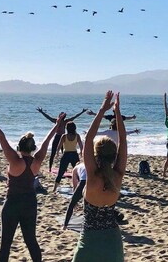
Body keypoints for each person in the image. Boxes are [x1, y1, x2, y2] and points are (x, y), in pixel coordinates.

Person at [0, 109, 63, 262]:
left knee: (5, 244)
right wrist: (57, 125)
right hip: (29, 203)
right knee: (31, 241)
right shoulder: (37, 161)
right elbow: (47, 142)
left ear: (19, 147)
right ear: (33, 148)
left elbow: (1, 138)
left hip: (12, 203)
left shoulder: (15, 160)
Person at [72, 91, 127, 261]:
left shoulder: (92, 176)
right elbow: (123, 140)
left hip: (89, 240)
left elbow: (88, 139)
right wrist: (117, 112)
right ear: (113, 155)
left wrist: (102, 110)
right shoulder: (117, 175)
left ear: (96, 155)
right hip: (113, 240)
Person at [36, 107, 88, 172]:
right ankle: (50, 168)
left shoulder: (66, 121)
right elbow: (48, 117)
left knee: (64, 153)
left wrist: (82, 112)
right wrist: (42, 112)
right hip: (57, 137)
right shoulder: (56, 121)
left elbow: (74, 117)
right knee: (53, 153)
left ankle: (65, 168)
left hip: (63, 138)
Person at [54, 121, 83, 188]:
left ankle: (54, 189)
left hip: (66, 154)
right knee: (78, 172)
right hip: (74, 154)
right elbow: (81, 146)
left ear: (67, 128)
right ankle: (80, 187)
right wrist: (81, 153)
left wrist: (57, 153)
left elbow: (59, 146)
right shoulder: (77, 136)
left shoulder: (64, 136)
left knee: (60, 172)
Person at [62, 162, 87, 230]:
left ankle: (65, 225)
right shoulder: (85, 164)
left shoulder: (75, 168)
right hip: (92, 181)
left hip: (83, 182)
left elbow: (75, 185)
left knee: (71, 205)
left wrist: (75, 200)